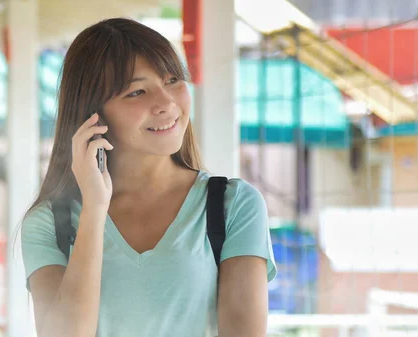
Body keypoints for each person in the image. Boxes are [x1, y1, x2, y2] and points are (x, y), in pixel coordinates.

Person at [21, 18, 277, 337]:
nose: (167, 103)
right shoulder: (49, 223)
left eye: (172, 79)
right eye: (137, 91)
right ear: (93, 115)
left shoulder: (233, 206)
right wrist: (94, 210)